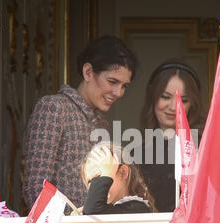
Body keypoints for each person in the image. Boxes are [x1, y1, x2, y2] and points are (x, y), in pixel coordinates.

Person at [22, 35, 138, 213]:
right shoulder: (54, 107)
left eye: (124, 86)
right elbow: (36, 186)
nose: (118, 92)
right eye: (113, 82)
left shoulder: (102, 124)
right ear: (88, 72)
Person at [139, 58, 205, 223]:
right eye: (165, 96)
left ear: (193, 105)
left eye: (183, 100)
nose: (172, 106)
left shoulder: (205, 148)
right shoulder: (133, 151)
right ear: (152, 98)